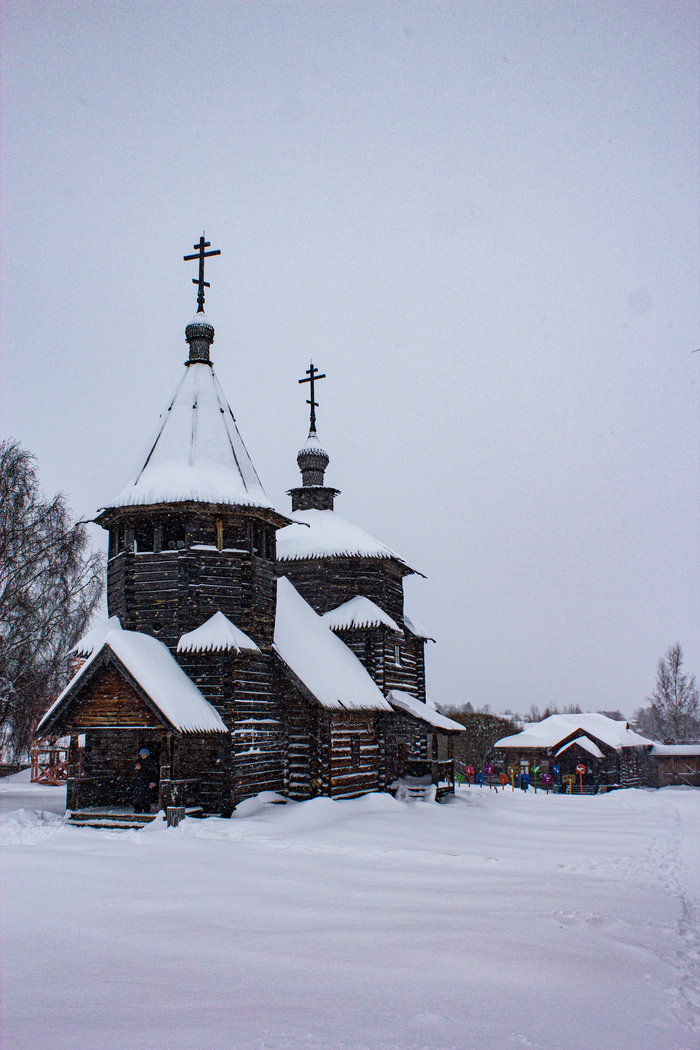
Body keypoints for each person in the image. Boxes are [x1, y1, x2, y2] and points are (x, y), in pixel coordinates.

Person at [132, 747, 158, 813]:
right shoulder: (137, 762)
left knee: (146, 796)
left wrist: (153, 781)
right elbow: (133, 771)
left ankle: (146, 808)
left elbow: (153, 773)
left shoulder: (150, 763)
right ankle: (137, 808)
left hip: (147, 782)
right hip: (138, 782)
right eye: (142, 754)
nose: (143, 756)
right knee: (137, 796)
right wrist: (136, 769)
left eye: (145, 755)